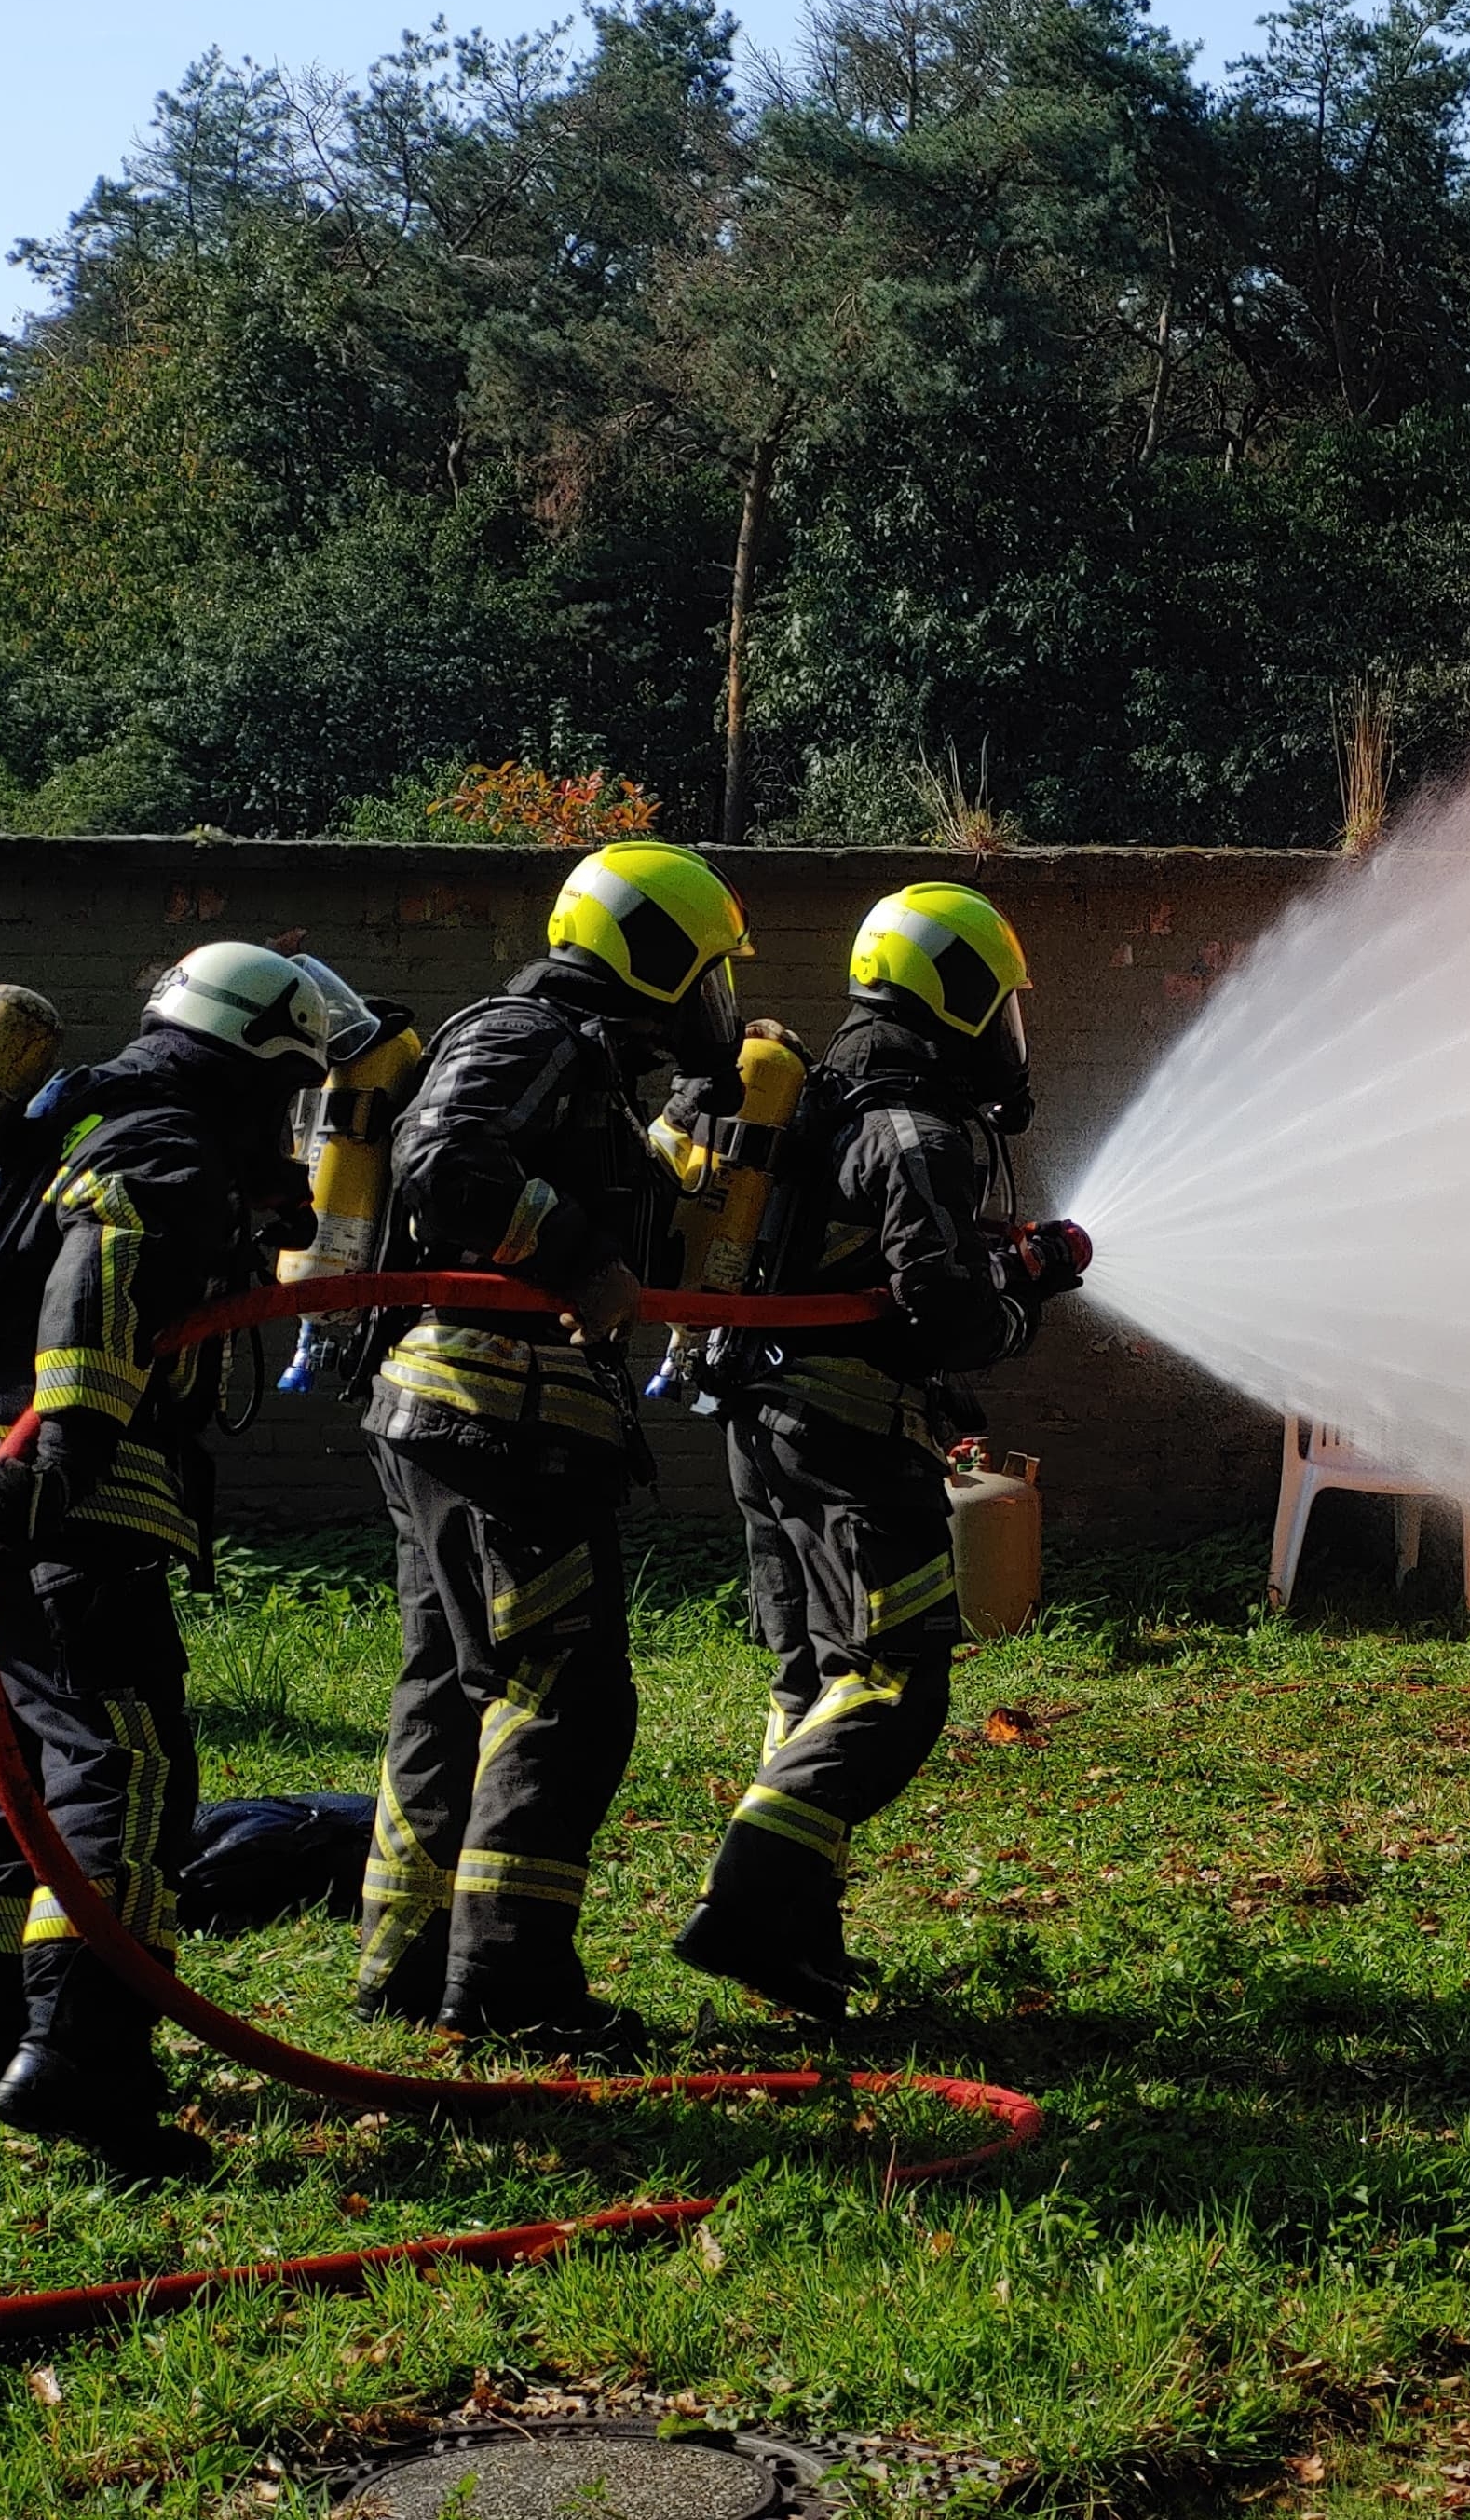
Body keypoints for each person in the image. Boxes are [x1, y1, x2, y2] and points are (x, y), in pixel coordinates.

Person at [0, 943, 334, 2177]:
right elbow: (106, 1256)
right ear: (250, 1060)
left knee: (16, 1780)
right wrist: (77, 1445)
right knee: (124, 1773)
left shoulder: (80, 1113)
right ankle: (85, 2061)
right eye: (287, 1084)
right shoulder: (158, 1141)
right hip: (53, 1505)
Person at [353, 839, 751, 2051]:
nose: (715, 1000)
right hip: (498, 1417)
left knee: (452, 1686)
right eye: (708, 971)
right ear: (659, 958)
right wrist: (577, 1254)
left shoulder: (580, 1060)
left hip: (469, 1412)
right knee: (564, 1697)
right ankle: (512, 1987)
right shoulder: (529, 1035)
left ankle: (412, 1966)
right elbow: (444, 1162)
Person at [674, 882, 1087, 2023]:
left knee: (816, 1676)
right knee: (895, 1680)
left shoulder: (828, 1103)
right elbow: (942, 1314)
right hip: (852, 1440)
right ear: (954, 998)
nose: (1008, 1034)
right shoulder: (914, 1129)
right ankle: (749, 1905)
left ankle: (796, 1937)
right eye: (997, 1006)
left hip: (774, 1429)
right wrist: (1027, 1282)